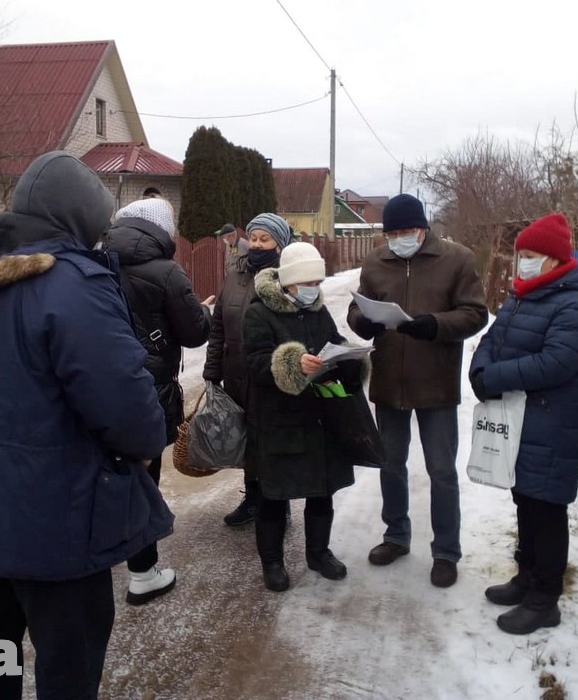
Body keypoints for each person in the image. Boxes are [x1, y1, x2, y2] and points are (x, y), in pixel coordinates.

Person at [0, 151, 172, 700]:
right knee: (69, 660)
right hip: (58, 514)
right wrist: (150, 441)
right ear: (76, 218)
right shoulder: (72, 285)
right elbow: (125, 407)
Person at [346, 193, 488, 588]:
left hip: (436, 382)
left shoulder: (456, 259)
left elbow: (476, 313)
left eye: (406, 230)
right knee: (391, 464)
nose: (399, 238)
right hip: (389, 380)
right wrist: (364, 323)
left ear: (423, 228)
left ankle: (445, 551)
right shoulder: (376, 261)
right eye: (392, 232)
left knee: (441, 470)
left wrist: (434, 325)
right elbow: (357, 308)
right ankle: (395, 536)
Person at [469, 212, 578, 635]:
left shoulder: (575, 302)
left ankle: (545, 599)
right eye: (520, 253)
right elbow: (494, 338)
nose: (521, 261)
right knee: (525, 502)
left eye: (530, 254)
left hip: (551, 423)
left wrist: (497, 378)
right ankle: (526, 578)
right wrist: (480, 369)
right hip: (521, 422)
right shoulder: (525, 293)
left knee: (546, 509)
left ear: (553, 259)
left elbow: (556, 362)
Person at [106, 197, 213, 605]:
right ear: (162, 231)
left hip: (94, 386)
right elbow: (194, 334)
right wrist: (200, 312)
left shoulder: (94, 261)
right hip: (147, 388)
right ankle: (143, 572)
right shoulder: (167, 272)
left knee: (105, 472)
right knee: (145, 477)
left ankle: (109, 550)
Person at [242, 242, 363, 591]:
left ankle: (318, 552)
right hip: (278, 421)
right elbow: (255, 362)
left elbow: (333, 342)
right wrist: (292, 363)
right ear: (290, 282)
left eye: (317, 282)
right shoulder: (259, 313)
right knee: (274, 496)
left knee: (321, 490)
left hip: (319, 417)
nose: (314, 289)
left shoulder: (317, 312)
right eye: (307, 282)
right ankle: (272, 563)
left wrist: (350, 359)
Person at [203, 212, 292, 527]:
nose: (256, 245)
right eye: (253, 238)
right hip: (236, 371)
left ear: (279, 245)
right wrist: (212, 371)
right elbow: (218, 327)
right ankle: (253, 498)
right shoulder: (234, 273)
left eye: (264, 239)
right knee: (247, 439)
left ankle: (278, 502)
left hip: (269, 376)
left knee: (271, 439)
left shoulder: (287, 277)